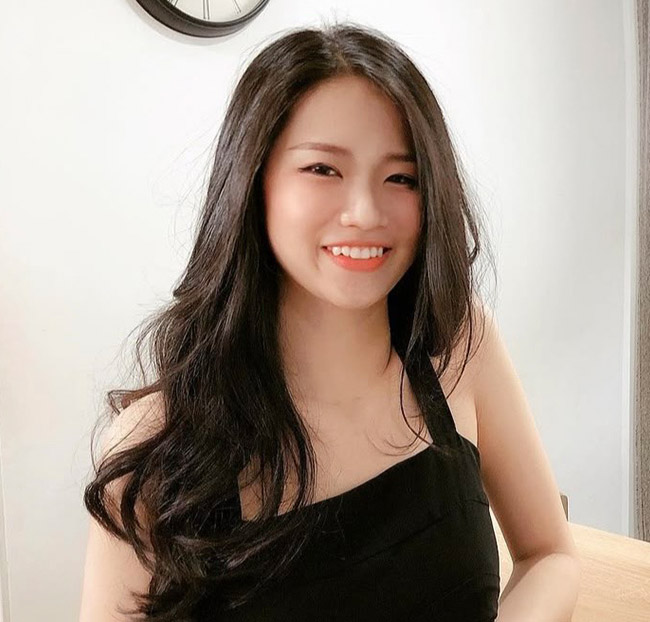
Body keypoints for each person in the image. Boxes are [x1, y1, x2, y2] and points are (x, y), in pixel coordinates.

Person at [79, 21, 581, 622]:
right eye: (323, 169)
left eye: (402, 178)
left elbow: (550, 555)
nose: (365, 212)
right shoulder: (154, 445)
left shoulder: (461, 344)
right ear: (253, 180)